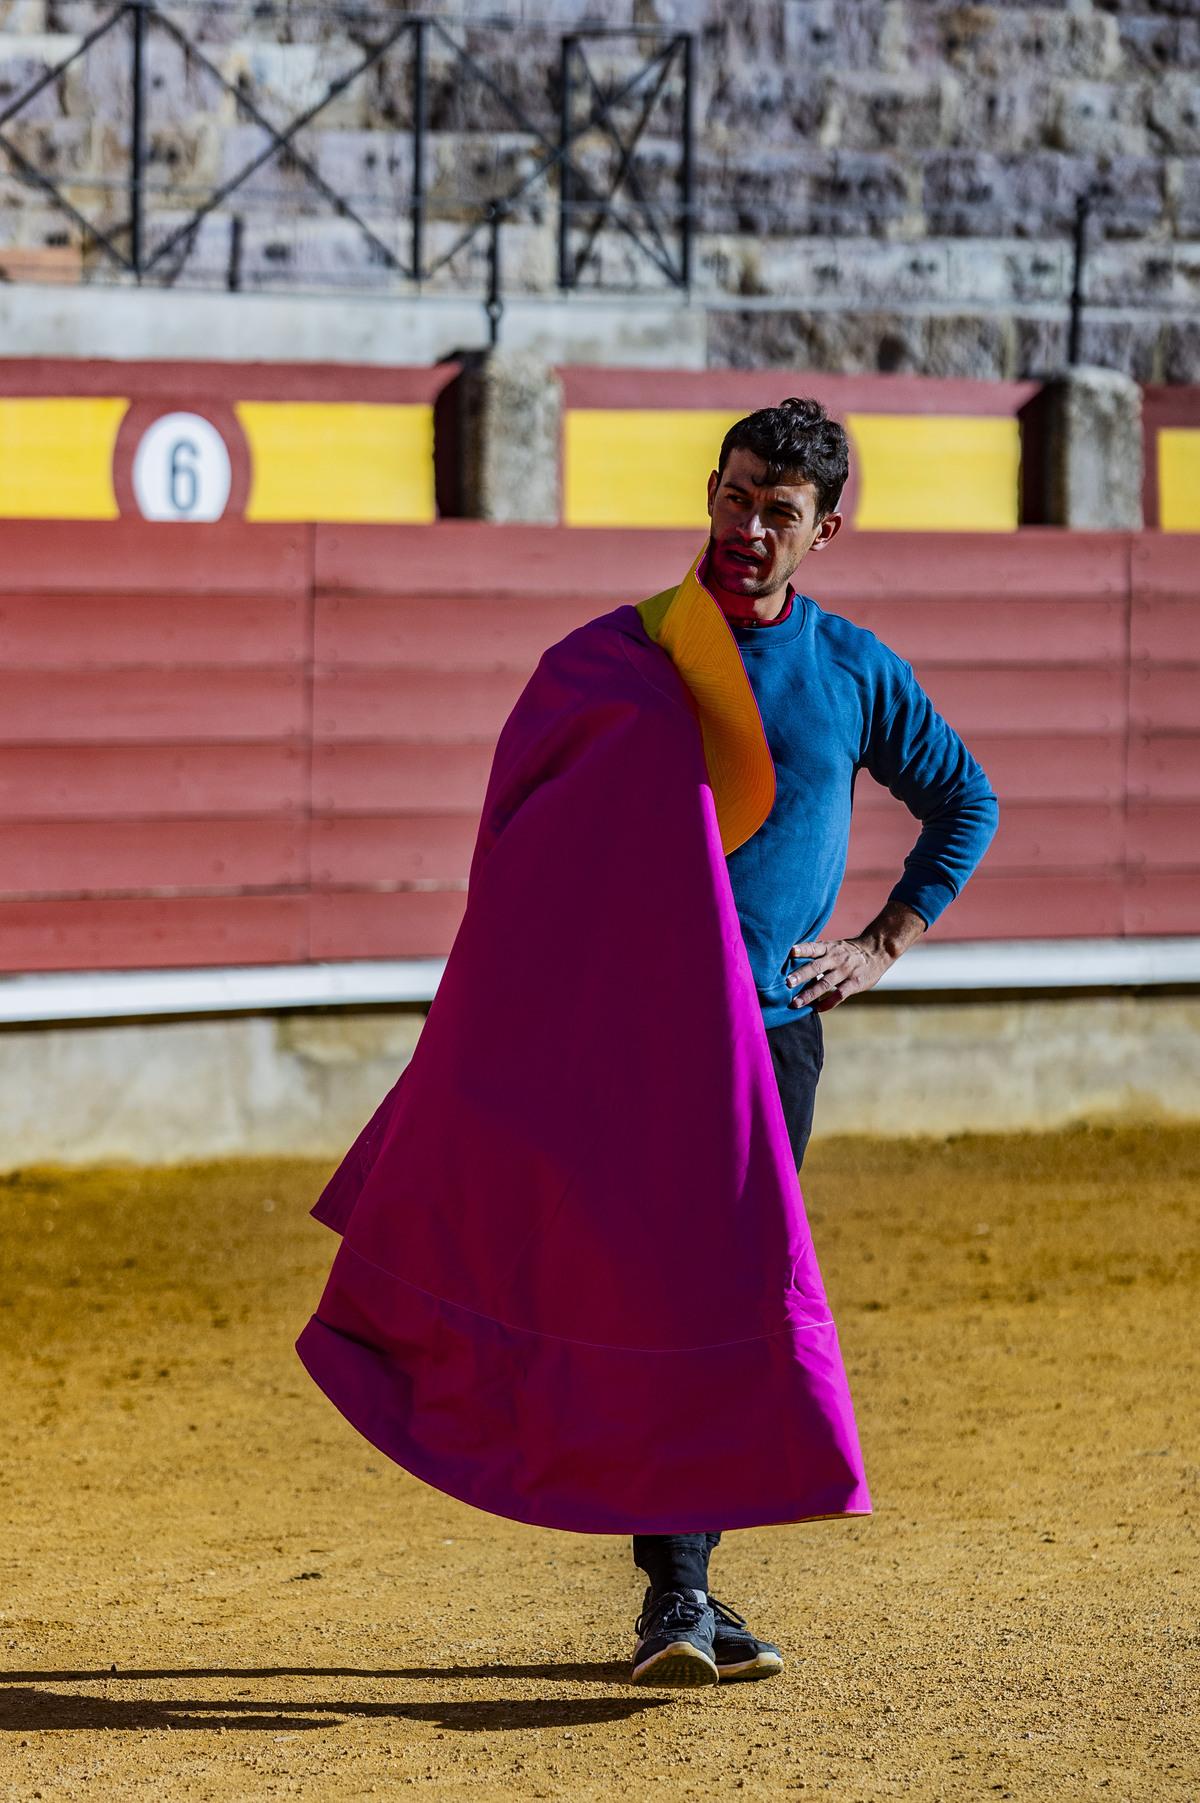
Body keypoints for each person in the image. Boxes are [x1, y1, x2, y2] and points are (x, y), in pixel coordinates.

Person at [298, 398, 998, 1693]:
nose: (745, 528)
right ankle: (680, 1586)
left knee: (727, 1297)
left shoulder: (851, 670)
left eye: (777, 513)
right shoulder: (624, 655)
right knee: (646, 1287)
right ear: (712, 490)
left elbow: (966, 797)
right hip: (628, 1039)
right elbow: (529, 826)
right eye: (734, 497)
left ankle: (682, 1583)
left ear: (825, 531)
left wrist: (883, 942)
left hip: (769, 1039)